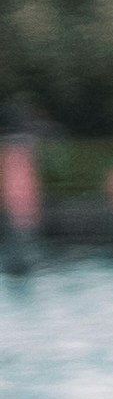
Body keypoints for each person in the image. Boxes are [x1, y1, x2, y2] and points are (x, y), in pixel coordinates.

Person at [0, 113, 36, 281]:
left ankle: (18, 266)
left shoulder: (13, 157)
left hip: (19, 207)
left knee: (19, 241)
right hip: (17, 208)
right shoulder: (14, 157)